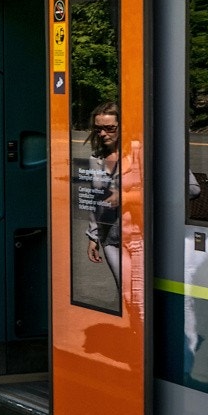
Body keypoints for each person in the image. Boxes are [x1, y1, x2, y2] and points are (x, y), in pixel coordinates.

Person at [80, 102, 123, 287]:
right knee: (124, 293)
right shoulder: (95, 159)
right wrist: (93, 237)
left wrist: (126, 195)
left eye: (110, 128)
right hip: (110, 239)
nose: (103, 134)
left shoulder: (140, 155)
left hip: (140, 239)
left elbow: (190, 190)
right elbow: (94, 200)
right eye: (98, 129)